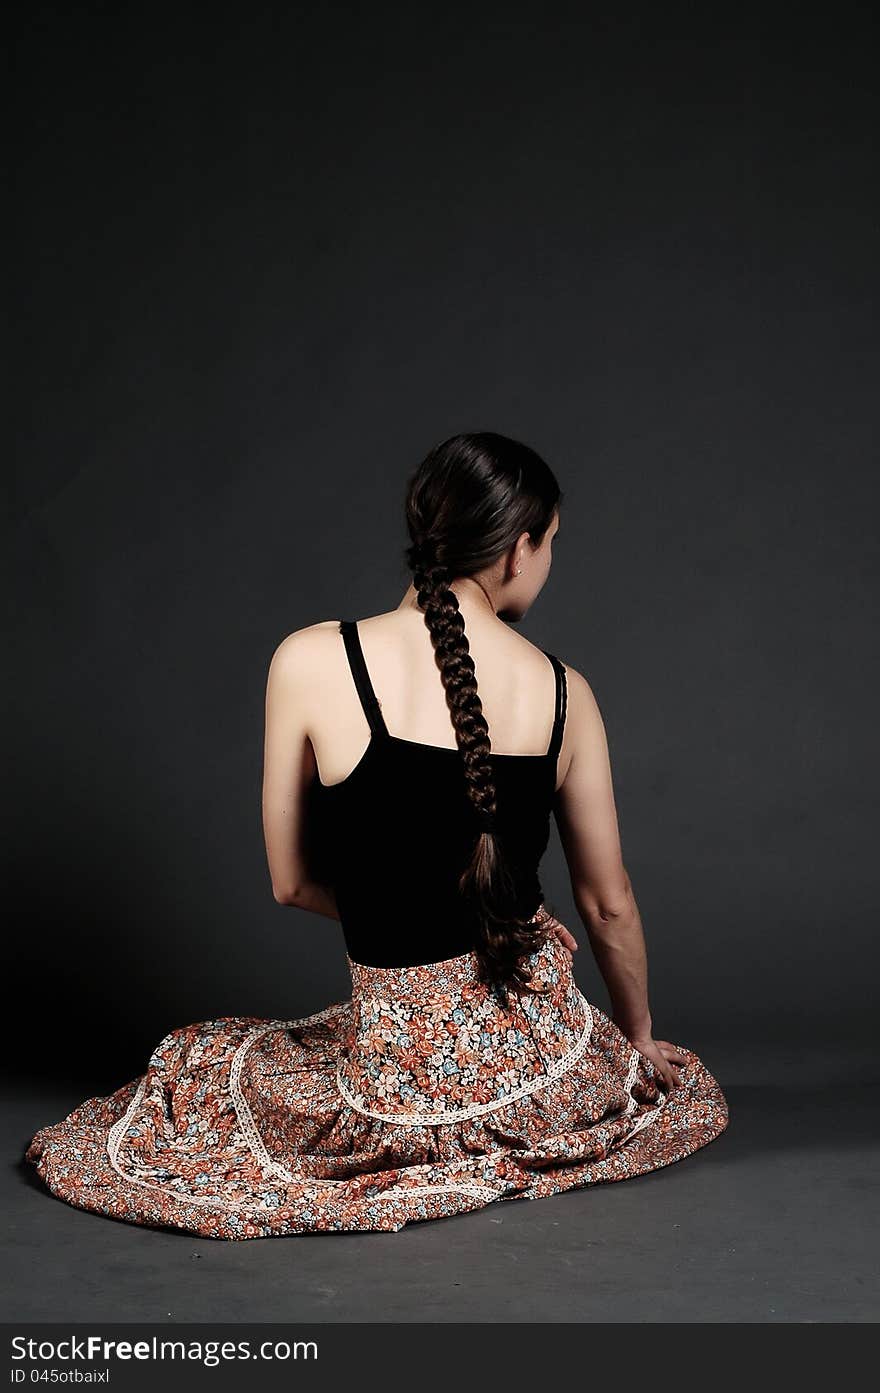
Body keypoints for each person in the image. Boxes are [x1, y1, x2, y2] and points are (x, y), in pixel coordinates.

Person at [24, 431, 727, 1239]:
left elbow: (289, 883)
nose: (548, 564)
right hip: (550, 1067)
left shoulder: (311, 661)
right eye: (552, 544)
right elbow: (607, 905)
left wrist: (415, 939)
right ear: (518, 549)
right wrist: (633, 1039)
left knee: (206, 1065)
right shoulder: (568, 693)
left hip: (395, 1081)